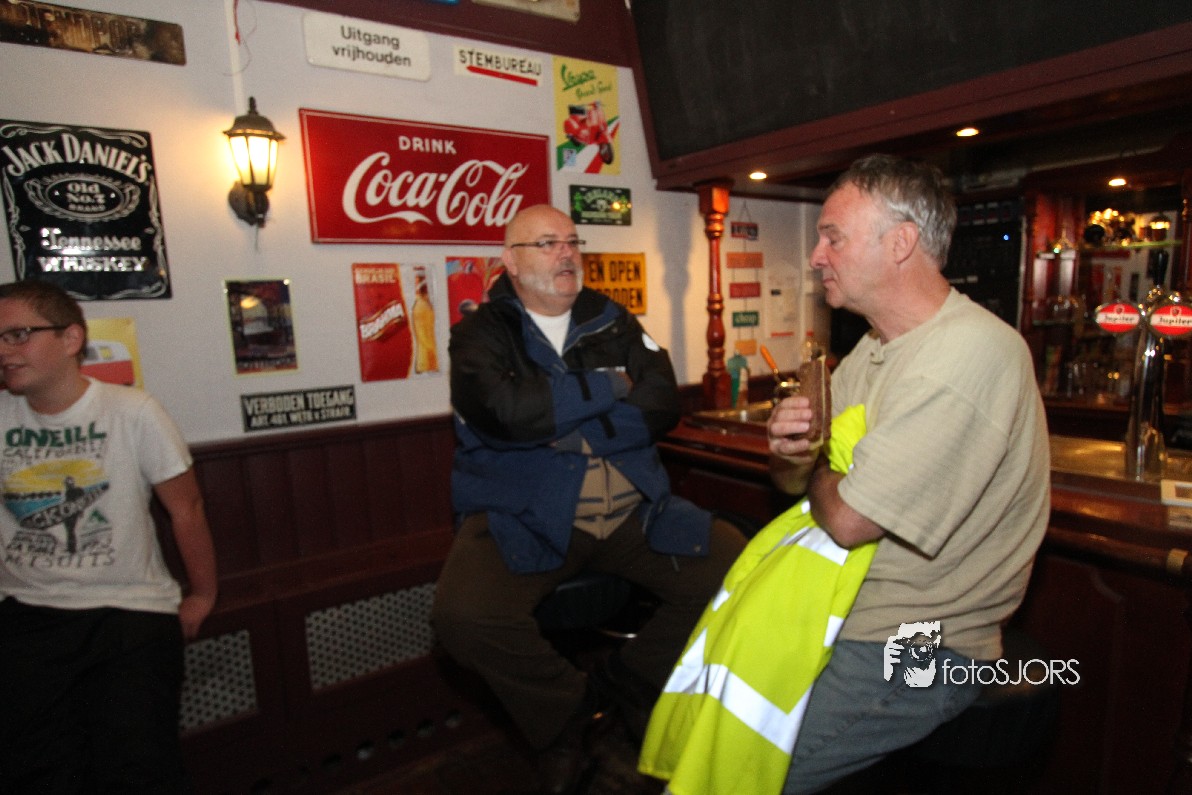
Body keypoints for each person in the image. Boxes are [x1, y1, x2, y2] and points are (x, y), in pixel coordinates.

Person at [432, 204, 746, 794]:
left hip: (631, 509)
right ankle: (567, 717)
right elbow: (507, 413)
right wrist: (609, 384)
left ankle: (627, 681)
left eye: (572, 242)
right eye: (548, 243)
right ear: (510, 261)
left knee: (740, 567)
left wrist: (571, 429)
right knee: (461, 616)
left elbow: (661, 402)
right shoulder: (479, 334)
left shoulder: (612, 319)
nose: (566, 253)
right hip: (528, 513)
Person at [767, 155, 1050, 793]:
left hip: (923, 642)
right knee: (717, 725)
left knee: (749, 774)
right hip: (842, 614)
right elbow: (792, 482)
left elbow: (847, 519)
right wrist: (790, 455)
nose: (815, 255)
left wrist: (816, 468)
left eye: (833, 237)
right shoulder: (874, 347)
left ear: (900, 243)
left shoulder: (970, 352)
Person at [0, 280, 218, 794]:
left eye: (19, 335)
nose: (5, 351)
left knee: (136, 768)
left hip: (128, 612)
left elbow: (186, 508)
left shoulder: (132, 411)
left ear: (71, 338)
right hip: (26, 613)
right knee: (35, 769)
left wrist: (203, 594)